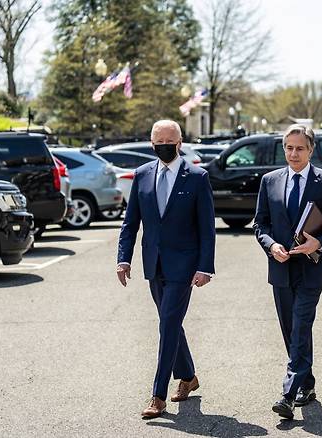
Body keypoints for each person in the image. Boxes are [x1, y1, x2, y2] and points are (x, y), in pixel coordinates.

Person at [116, 120, 216, 418]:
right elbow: (130, 222)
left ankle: (157, 395)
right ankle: (188, 376)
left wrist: (205, 267)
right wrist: (124, 258)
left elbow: (207, 228)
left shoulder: (197, 177)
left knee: (167, 324)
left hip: (184, 265)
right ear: (151, 143)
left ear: (180, 142)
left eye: (169, 141)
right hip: (153, 262)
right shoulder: (143, 174)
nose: (164, 145)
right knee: (169, 321)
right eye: (158, 141)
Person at [253, 124, 322, 420]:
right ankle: (307, 384)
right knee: (291, 330)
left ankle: (288, 394)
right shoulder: (270, 181)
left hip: (311, 268)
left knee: (301, 325)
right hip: (280, 268)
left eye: (300, 148)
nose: (294, 153)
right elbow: (260, 224)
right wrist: (271, 246)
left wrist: (319, 242)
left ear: (311, 150)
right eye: (289, 148)